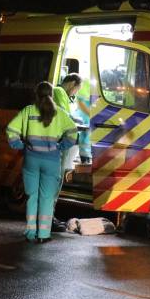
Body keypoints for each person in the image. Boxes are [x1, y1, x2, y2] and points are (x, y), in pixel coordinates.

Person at [7, 81, 77, 243]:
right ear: (52, 95)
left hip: (31, 159)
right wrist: (61, 146)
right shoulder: (59, 113)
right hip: (51, 161)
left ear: (36, 94)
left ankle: (30, 232)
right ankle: (43, 234)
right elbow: (73, 133)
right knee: (46, 197)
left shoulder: (28, 111)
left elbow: (11, 130)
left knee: (32, 196)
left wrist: (20, 146)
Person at [52, 73, 83, 232]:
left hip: (64, 143)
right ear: (72, 84)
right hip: (60, 143)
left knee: (58, 180)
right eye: (77, 89)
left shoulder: (64, 95)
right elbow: (64, 114)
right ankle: (48, 219)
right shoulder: (58, 91)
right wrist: (79, 122)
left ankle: (50, 217)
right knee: (55, 180)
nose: (75, 92)